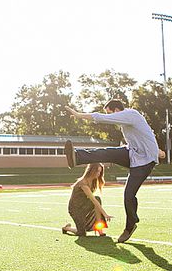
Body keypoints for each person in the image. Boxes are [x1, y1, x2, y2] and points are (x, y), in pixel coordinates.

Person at [64, 97, 165, 243]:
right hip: (132, 154)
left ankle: (130, 225)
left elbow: (101, 118)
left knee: (128, 195)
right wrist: (158, 151)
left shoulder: (131, 114)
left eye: (110, 113)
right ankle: (77, 156)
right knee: (108, 152)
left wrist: (79, 115)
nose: (111, 118)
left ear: (117, 110)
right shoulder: (128, 125)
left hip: (144, 163)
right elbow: (145, 138)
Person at [62, 162, 112, 237]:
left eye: (100, 172)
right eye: (97, 171)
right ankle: (67, 228)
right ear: (91, 170)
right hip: (75, 209)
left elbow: (95, 201)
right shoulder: (83, 182)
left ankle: (99, 229)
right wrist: (105, 214)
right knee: (81, 233)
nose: (98, 174)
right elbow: (93, 200)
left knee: (97, 198)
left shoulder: (94, 181)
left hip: (85, 205)